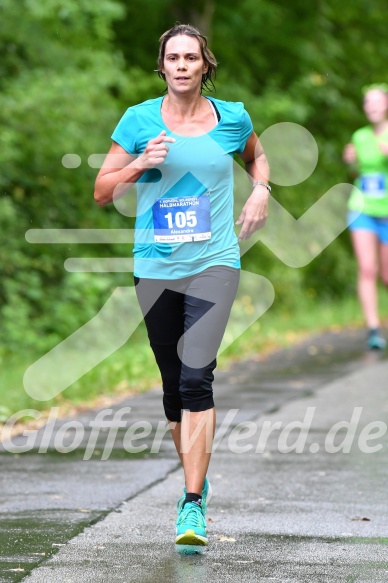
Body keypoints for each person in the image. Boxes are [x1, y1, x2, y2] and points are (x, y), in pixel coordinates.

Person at [94, 24, 270, 545]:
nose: (181, 65)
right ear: (162, 66)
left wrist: (260, 188)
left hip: (215, 261)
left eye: (191, 57)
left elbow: (257, 158)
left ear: (205, 65)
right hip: (155, 267)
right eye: (172, 57)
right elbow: (102, 191)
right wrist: (138, 164)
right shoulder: (138, 120)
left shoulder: (232, 118)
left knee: (197, 378)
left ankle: (191, 505)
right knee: (174, 390)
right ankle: (199, 477)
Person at [343, 84, 388, 350]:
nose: (371, 107)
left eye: (376, 102)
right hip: (361, 207)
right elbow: (357, 171)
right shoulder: (359, 136)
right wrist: (350, 160)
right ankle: (373, 329)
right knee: (367, 268)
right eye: (367, 103)